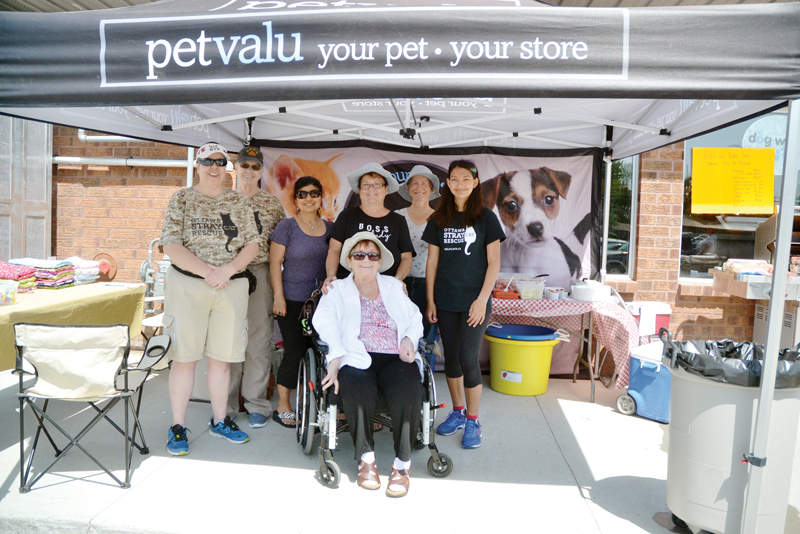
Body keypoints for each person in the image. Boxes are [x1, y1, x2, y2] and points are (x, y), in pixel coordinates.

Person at [160, 142, 259, 455]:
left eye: (220, 161)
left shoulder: (238, 202)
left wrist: (227, 270)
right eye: (207, 161)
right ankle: (178, 426)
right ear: (197, 165)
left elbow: (252, 245)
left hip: (229, 287)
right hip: (189, 285)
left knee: (221, 359)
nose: (214, 168)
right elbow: (171, 245)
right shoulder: (183, 199)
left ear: (227, 166)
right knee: (184, 358)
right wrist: (208, 272)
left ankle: (220, 420)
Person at [313, 232, 424, 498]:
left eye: (372, 255)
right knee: (356, 386)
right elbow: (324, 322)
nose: (366, 259)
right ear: (349, 261)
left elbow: (414, 318)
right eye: (359, 255)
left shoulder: (394, 286)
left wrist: (409, 339)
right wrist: (336, 358)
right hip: (355, 354)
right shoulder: (337, 289)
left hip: (395, 355)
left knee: (408, 387)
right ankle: (366, 458)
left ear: (379, 261)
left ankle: (402, 465)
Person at [422, 159, 505, 450]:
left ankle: (473, 421)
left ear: (475, 182)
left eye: (465, 180)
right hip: (445, 301)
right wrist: (431, 300)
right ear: (448, 184)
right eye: (454, 180)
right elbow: (432, 262)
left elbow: (494, 263)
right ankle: (457, 412)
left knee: (469, 359)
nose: (459, 185)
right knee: (452, 359)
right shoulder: (438, 219)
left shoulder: (486, 218)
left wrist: (483, 300)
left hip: (475, 303)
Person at [226, 146, 285, 429]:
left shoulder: (272, 204)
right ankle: (224, 404)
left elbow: (278, 248)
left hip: (259, 272)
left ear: (262, 171)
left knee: (258, 339)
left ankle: (256, 402)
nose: (249, 171)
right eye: (244, 165)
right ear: (235, 168)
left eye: (255, 167)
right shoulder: (219, 199)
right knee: (226, 339)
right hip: (226, 273)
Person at [269, 176, 334, 428]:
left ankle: (323, 404)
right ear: (295, 199)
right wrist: (278, 296)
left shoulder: (330, 228)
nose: (309, 198)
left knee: (323, 353)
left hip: (323, 303)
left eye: (314, 193)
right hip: (292, 301)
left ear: (321, 197)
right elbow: (275, 263)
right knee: (295, 352)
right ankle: (283, 405)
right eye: (303, 194)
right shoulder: (287, 227)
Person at [323, 163, 414, 290]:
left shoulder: (398, 221)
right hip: (349, 288)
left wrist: (396, 282)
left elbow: (406, 257)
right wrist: (331, 277)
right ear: (359, 189)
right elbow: (334, 250)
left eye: (377, 184)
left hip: (386, 289)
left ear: (386, 189)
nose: (371, 189)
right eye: (366, 185)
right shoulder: (347, 216)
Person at [396, 165, 439, 337]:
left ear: (431, 189)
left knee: (427, 337)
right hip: (401, 283)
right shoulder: (397, 216)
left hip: (429, 284)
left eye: (424, 183)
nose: (419, 187)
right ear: (408, 188)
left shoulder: (440, 219)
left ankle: (427, 365)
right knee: (400, 333)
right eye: (414, 183)